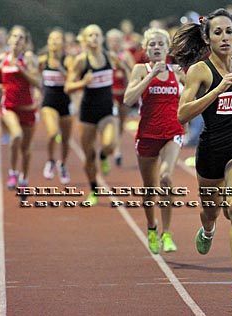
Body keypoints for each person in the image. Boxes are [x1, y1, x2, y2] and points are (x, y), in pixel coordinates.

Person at [170, 9, 232, 306]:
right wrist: (217, 90)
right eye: (219, 33)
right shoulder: (200, 71)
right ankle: (209, 228)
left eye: (229, 31)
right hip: (212, 151)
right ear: (208, 37)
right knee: (212, 212)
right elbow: (182, 114)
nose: (226, 38)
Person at [124, 28, 186, 254]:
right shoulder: (141, 70)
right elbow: (128, 99)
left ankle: (167, 233)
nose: (157, 48)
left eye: (161, 44)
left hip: (172, 132)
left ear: (168, 48)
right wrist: (151, 76)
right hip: (148, 133)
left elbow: (192, 96)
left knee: (166, 177)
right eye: (152, 45)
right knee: (150, 187)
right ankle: (152, 227)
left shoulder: (177, 71)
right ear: (146, 49)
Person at [64, 24, 118, 205]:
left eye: (97, 34)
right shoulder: (81, 60)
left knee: (110, 144)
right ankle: (94, 189)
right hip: (87, 114)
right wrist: (83, 83)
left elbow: (129, 70)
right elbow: (68, 87)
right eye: (91, 35)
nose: (95, 38)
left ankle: (104, 155)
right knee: (88, 156)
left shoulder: (109, 57)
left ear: (102, 38)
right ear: (85, 40)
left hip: (107, 111)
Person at [0, 25, 40, 199]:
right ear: (9, 40)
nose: (17, 40)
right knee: (16, 135)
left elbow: (38, 82)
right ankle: (12, 172)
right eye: (14, 37)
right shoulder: (2, 58)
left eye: (21, 38)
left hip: (28, 109)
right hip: (9, 107)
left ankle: (23, 180)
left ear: (25, 42)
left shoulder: (29, 58)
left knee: (26, 150)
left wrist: (21, 69)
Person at [39, 28, 74, 184]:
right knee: (53, 133)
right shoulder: (43, 60)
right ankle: (51, 160)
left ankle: (63, 165)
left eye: (57, 39)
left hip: (65, 102)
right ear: (48, 42)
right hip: (48, 102)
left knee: (66, 139)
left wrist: (60, 68)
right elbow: (35, 77)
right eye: (51, 39)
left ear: (63, 43)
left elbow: (72, 79)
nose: (54, 41)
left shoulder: (68, 60)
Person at [106, 28, 135, 166]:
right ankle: (116, 150)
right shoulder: (105, 55)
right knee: (114, 121)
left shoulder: (126, 55)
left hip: (123, 93)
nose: (114, 43)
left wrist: (123, 68)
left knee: (121, 123)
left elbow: (133, 71)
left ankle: (116, 145)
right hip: (109, 94)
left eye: (117, 40)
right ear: (108, 42)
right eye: (112, 41)